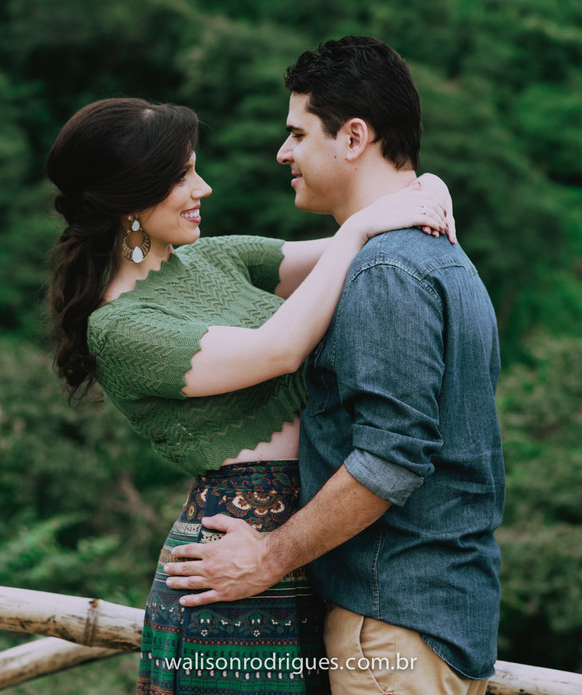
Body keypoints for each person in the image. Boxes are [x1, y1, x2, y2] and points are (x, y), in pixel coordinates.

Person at [43, 96, 454, 694]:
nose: (203, 188)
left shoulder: (214, 258)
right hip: (229, 575)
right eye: (182, 176)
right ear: (130, 199)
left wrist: (429, 187)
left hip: (302, 551)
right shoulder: (120, 328)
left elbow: (363, 244)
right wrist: (360, 225)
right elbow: (278, 349)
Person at [164, 36, 505, 695]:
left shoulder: (386, 270)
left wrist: (267, 557)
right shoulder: (437, 257)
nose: (282, 152)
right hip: (426, 619)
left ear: (353, 137)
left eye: (298, 133)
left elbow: (391, 459)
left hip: (391, 629)